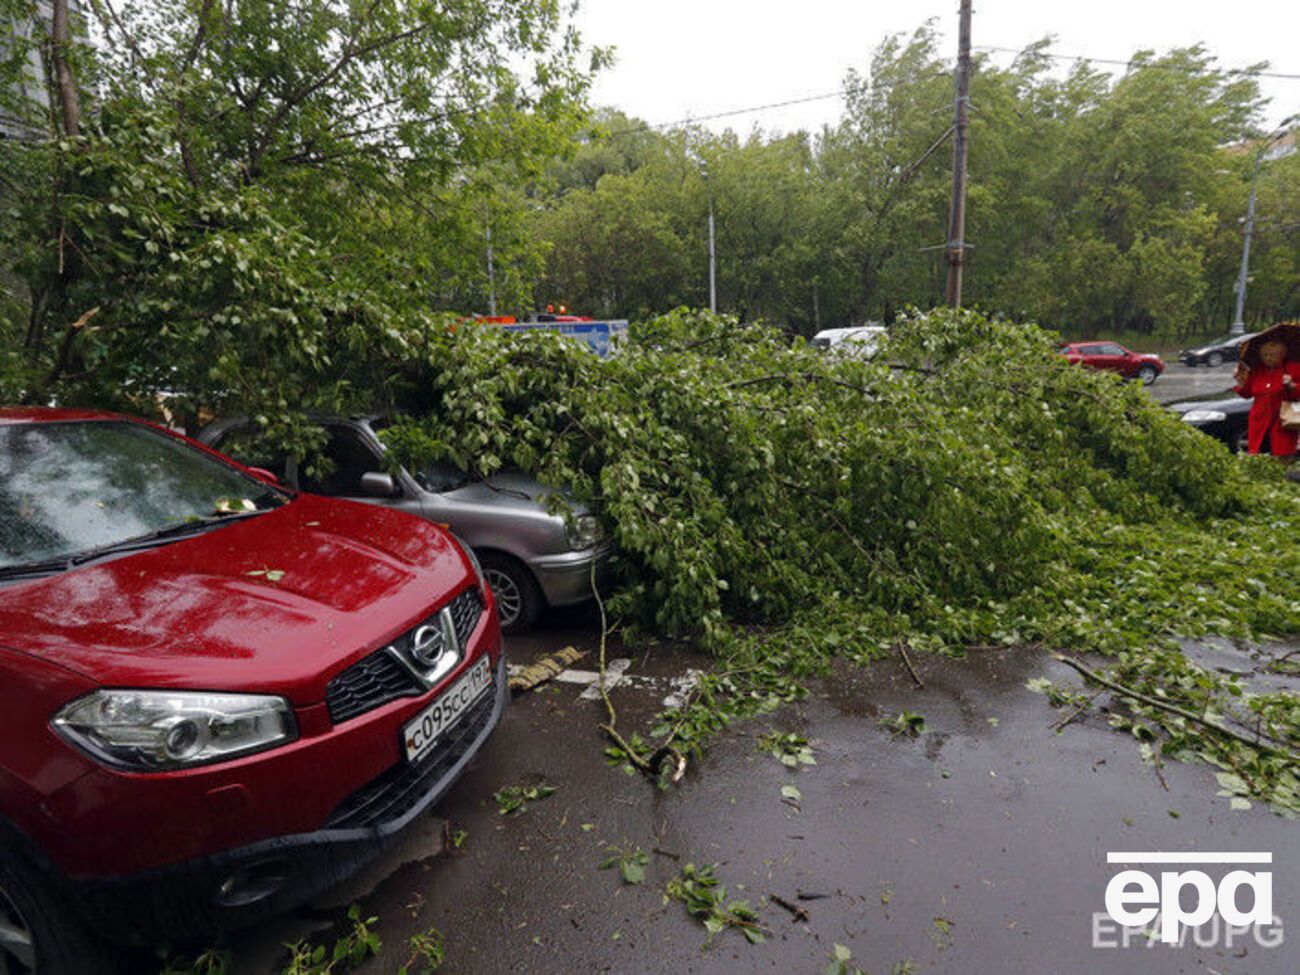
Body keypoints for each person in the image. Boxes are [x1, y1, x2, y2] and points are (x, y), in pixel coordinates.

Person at [1233, 340, 1299, 457]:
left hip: (1282, 422)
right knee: (1259, 457)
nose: (1268, 358)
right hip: (1259, 421)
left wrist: (1291, 385)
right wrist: (1240, 381)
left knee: (1282, 457)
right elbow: (1247, 393)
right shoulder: (1257, 371)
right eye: (1265, 355)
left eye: (1272, 355)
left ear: (1282, 354)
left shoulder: (1293, 369)